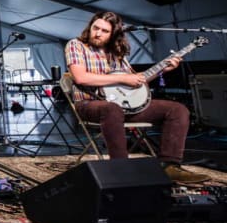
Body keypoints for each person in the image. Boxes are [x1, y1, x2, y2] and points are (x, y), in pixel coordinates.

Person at [65, 11, 209, 182]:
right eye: (95, 28)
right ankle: (121, 169)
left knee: (177, 110)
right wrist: (123, 77)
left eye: (104, 31)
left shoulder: (116, 51)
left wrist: (163, 69)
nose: (97, 33)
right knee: (112, 109)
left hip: (123, 105)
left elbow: (136, 81)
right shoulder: (76, 45)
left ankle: (170, 166)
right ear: (90, 27)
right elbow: (81, 77)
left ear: (113, 34)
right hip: (89, 104)